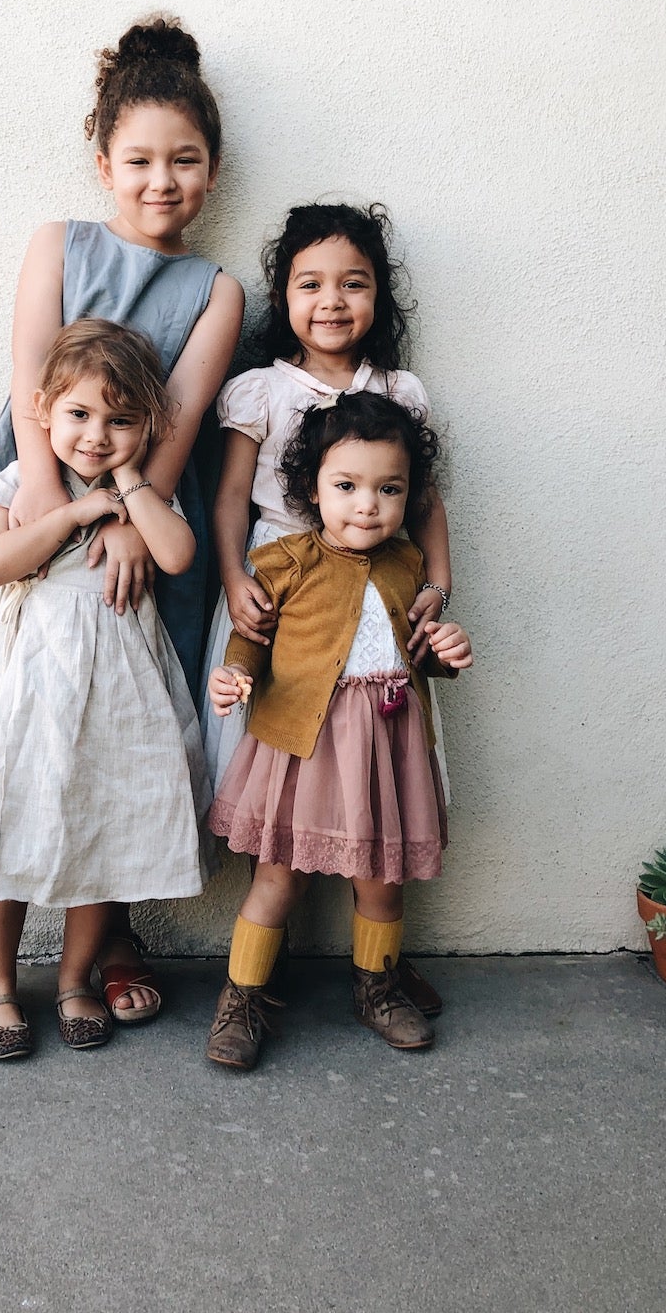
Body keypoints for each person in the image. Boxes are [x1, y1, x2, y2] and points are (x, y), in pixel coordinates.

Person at [0, 17, 243, 1050]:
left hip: (143, 507)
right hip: (42, 488)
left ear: (213, 172)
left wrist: (136, 520)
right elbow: (26, 389)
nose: (161, 180)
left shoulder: (219, 290)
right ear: (104, 162)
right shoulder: (59, 243)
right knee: (14, 723)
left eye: (184, 161)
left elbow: (178, 417)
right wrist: (54, 508)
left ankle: (108, 933)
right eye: (139, 160)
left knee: (126, 725)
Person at [0, 321, 210, 1058]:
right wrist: (75, 512)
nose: (97, 435)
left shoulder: (136, 494)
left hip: (116, 690)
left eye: (121, 420)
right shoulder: (24, 484)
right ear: (43, 410)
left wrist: (131, 487)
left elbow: (176, 553)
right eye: (79, 414)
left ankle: (75, 980)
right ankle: (1, 989)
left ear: (151, 427)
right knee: (4, 828)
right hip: (31, 687)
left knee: (99, 826)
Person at [199, 201, 452, 1013]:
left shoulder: (398, 390)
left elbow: (429, 507)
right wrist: (236, 579)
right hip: (283, 605)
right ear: (284, 295)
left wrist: (438, 589)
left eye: (354, 283)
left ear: (379, 296)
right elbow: (233, 495)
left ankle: (376, 973)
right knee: (279, 785)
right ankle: (251, 988)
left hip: (383, 605)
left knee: (377, 796)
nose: (332, 301)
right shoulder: (262, 390)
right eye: (310, 284)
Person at [204, 391, 472, 1070]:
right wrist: (234, 676)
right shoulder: (285, 563)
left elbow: (420, 653)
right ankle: (242, 998)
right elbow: (249, 642)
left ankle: (377, 987)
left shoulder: (410, 565)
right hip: (303, 744)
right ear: (312, 490)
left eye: (389, 489)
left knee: (382, 879)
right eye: (347, 486)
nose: (368, 505)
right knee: (278, 879)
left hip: (386, 747)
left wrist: (446, 650)